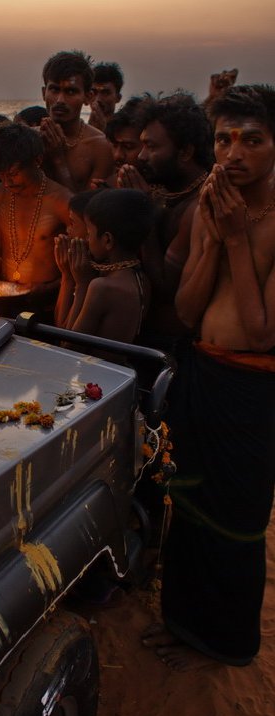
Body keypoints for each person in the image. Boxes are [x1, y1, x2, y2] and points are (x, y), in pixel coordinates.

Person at [143, 84, 275, 671]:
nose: (235, 153)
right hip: (201, 372)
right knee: (187, 502)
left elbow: (261, 330)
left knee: (237, 520)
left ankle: (225, 639)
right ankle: (182, 620)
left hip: (252, 388)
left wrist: (241, 240)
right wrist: (216, 242)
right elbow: (191, 310)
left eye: (253, 140)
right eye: (224, 139)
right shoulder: (209, 206)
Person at [118, 92, 213, 349]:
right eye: (142, 145)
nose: (141, 157)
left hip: (176, 344)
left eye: (153, 147)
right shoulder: (162, 189)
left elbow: (166, 288)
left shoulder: (199, 207)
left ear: (185, 152)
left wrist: (143, 211)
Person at [0, 121, 70, 319]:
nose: (6, 182)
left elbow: (82, 264)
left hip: (47, 305)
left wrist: (50, 288)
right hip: (5, 300)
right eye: (0, 175)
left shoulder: (62, 201)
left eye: (12, 173)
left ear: (37, 160)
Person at [54, 188, 153, 344]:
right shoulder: (143, 280)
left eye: (89, 232)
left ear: (107, 240)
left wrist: (81, 284)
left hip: (95, 368)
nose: (87, 238)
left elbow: (67, 345)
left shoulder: (101, 287)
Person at [40, 50, 114, 192]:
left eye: (70, 91)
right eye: (54, 90)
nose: (60, 100)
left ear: (88, 97)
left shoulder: (99, 147)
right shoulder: (30, 139)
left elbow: (85, 211)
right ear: (44, 93)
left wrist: (58, 160)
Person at [88, 62, 124, 132]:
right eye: (94, 92)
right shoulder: (79, 132)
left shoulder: (125, 132)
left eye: (105, 93)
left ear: (118, 98)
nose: (98, 99)